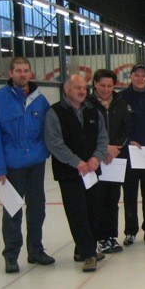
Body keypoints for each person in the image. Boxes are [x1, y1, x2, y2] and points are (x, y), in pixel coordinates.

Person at [0, 56, 55, 273]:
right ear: (11, 73)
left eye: (25, 71)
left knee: (37, 208)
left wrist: (45, 152)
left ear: (30, 73)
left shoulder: (39, 100)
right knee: (12, 211)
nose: (22, 74)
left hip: (35, 163)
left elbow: (48, 130)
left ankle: (36, 250)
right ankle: (11, 255)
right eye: (18, 71)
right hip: (12, 165)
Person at [44, 74, 108, 272]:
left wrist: (97, 157)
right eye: (77, 88)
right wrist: (76, 162)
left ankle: (83, 249)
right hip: (69, 173)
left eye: (84, 88)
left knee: (94, 211)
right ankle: (89, 254)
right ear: (67, 89)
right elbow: (54, 142)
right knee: (77, 213)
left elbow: (103, 137)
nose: (82, 91)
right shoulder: (55, 112)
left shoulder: (93, 111)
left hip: (91, 171)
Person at [117, 64, 145, 247]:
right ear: (131, 76)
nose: (140, 78)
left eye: (143, 75)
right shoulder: (121, 98)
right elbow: (117, 125)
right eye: (137, 75)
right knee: (129, 194)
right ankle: (130, 231)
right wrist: (127, 142)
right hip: (129, 155)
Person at [87, 69, 131, 254]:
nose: (105, 89)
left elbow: (126, 128)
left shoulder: (121, 103)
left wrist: (115, 148)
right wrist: (104, 149)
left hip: (115, 158)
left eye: (109, 86)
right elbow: (86, 132)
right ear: (95, 84)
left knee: (113, 199)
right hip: (95, 158)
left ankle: (111, 236)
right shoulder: (87, 104)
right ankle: (99, 238)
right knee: (97, 199)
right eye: (102, 85)